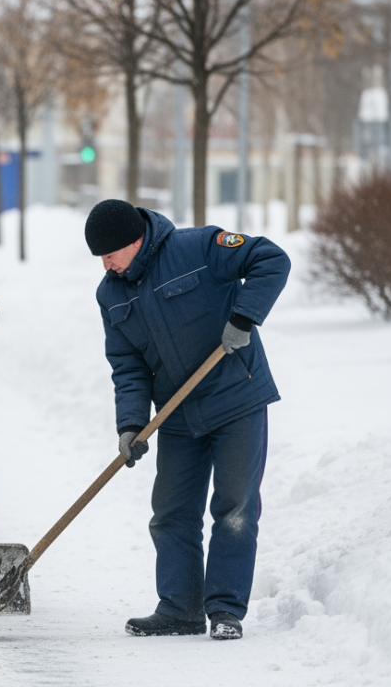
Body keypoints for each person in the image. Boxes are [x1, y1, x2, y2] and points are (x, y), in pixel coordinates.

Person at [86, 199, 290, 641]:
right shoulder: (111, 293)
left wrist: (245, 315)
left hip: (236, 397)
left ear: (134, 241)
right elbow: (128, 365)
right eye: (100, 259)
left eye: (109, 255)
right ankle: (180, 608)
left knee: (234, 507)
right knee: (171, 514)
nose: (106, 266)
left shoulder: (198, 247)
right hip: (177, 414)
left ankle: (225, 610)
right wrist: (131, 425)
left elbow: (271, 259)